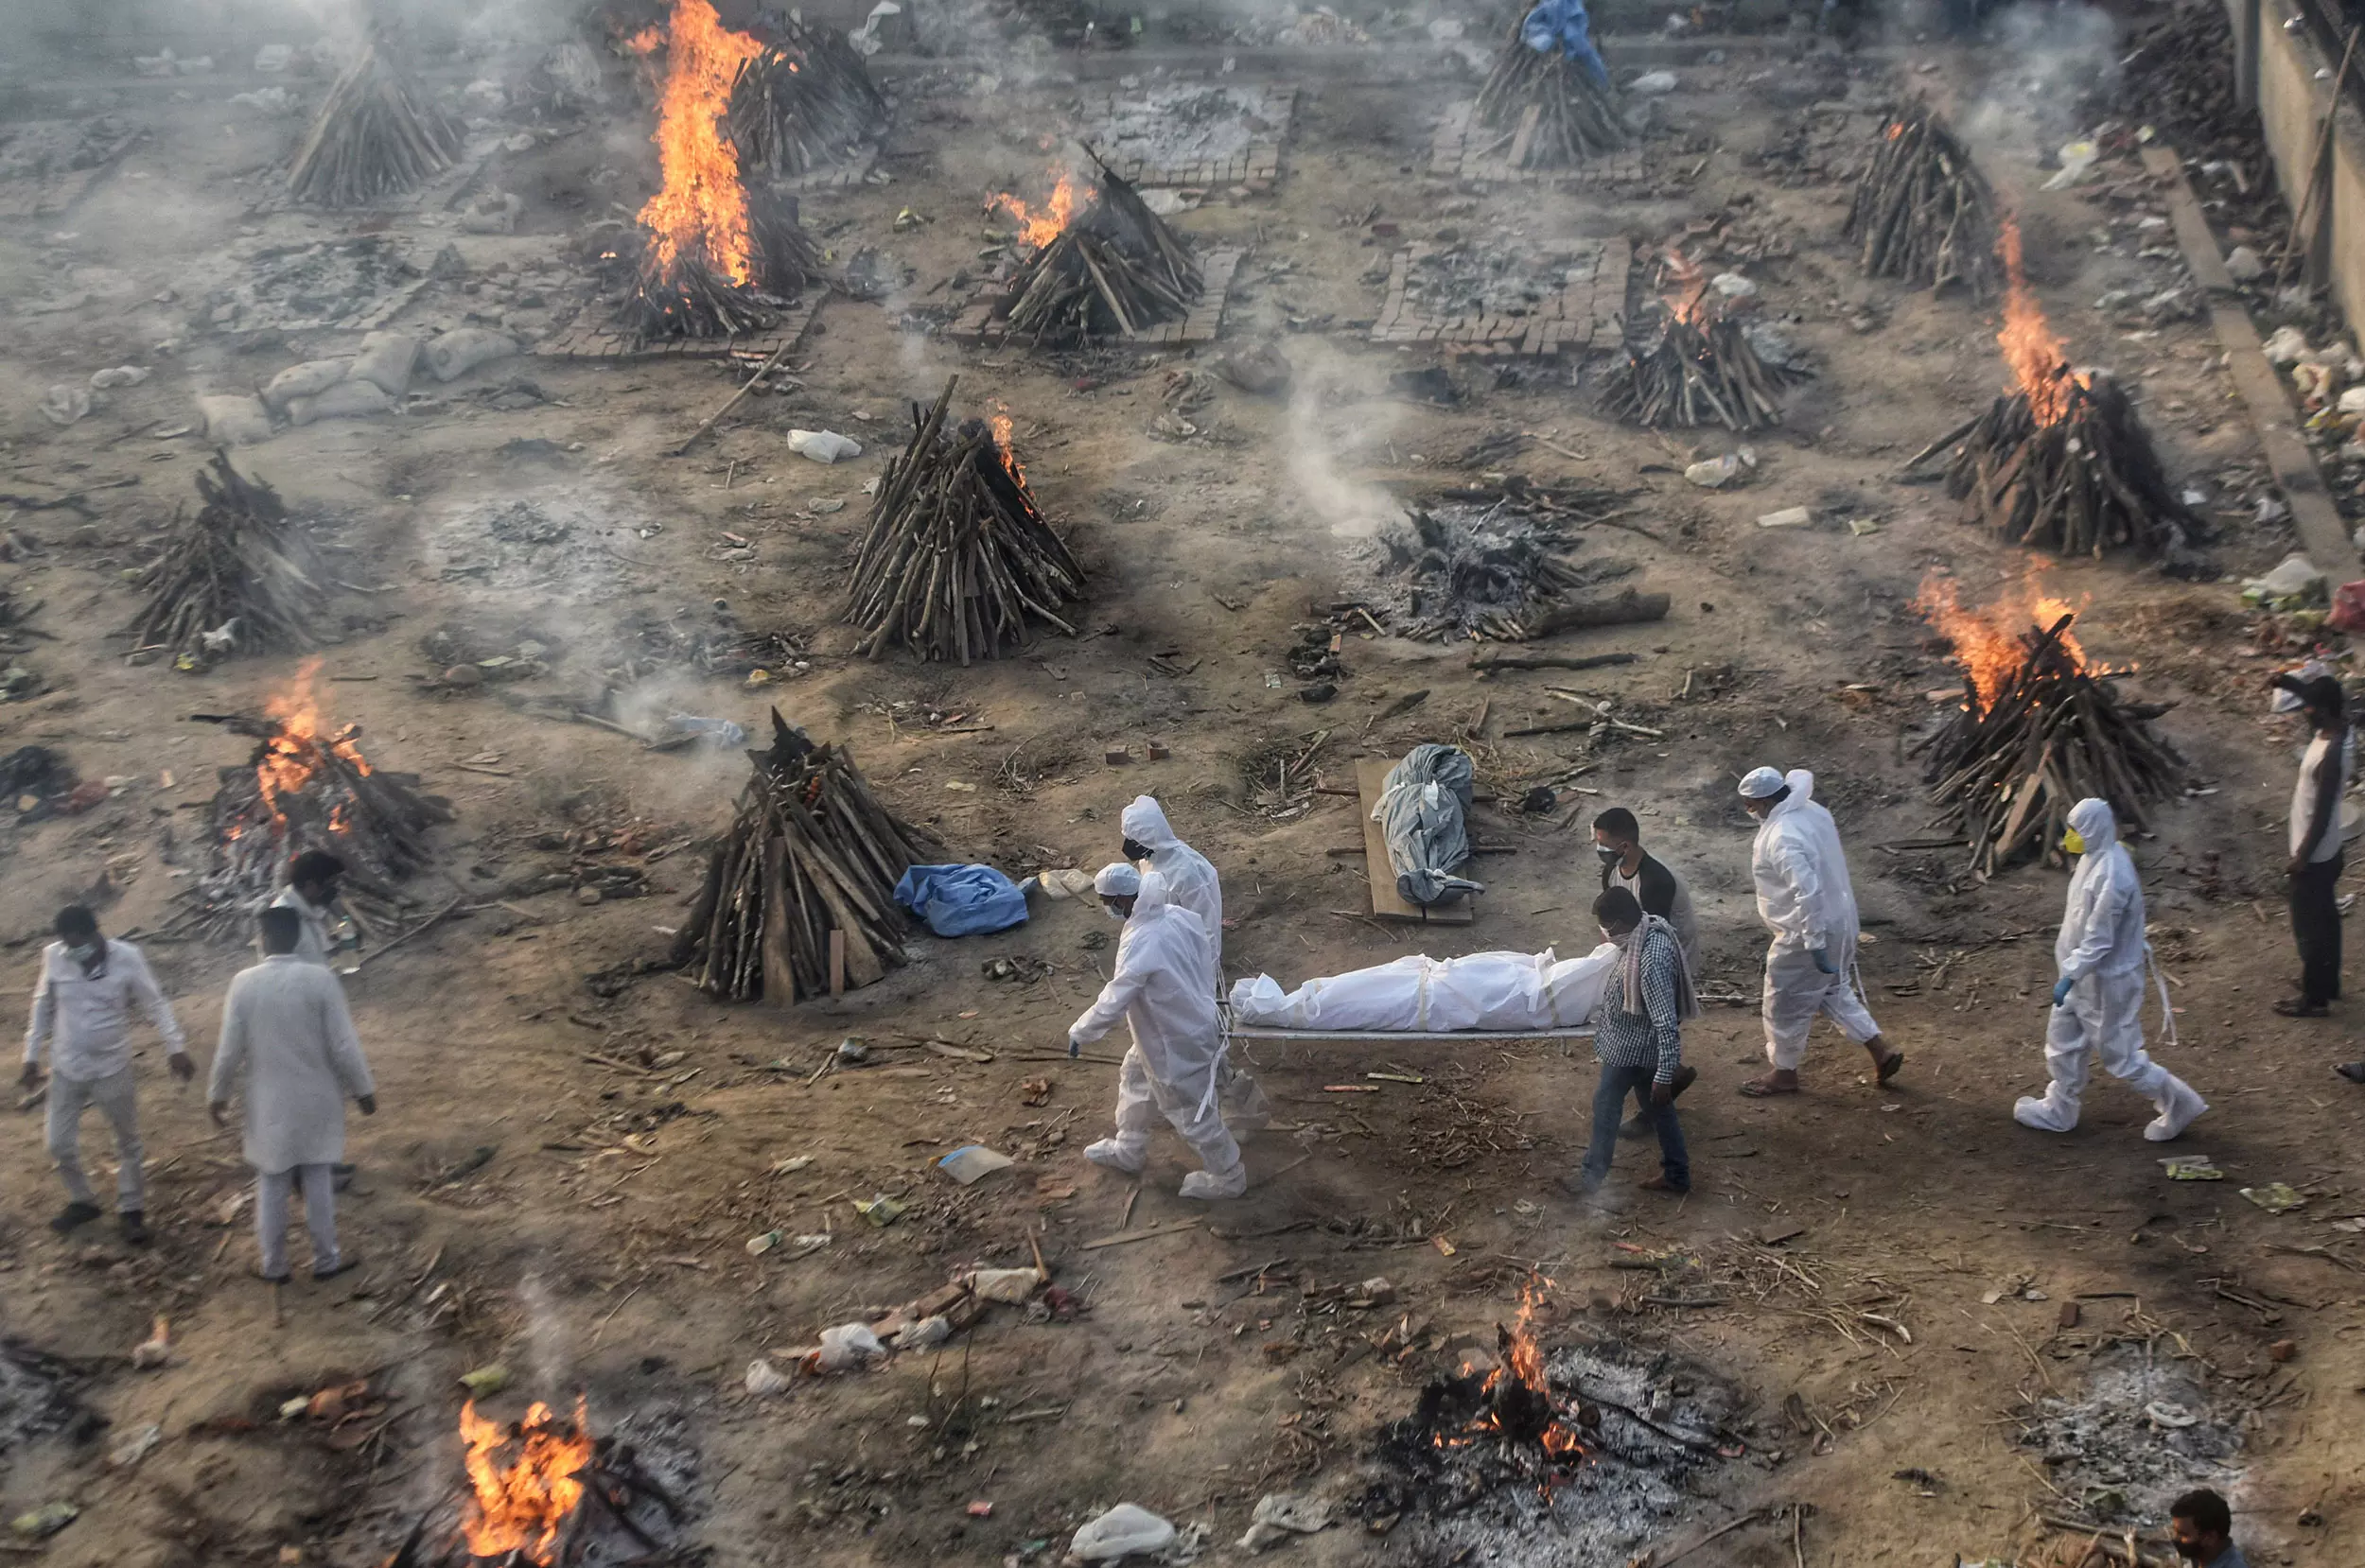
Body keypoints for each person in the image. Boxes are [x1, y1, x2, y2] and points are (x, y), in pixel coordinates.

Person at [2013, 798, 2207, 1141]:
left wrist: (2071, 973)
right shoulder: (2093, 859)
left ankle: (2179, 1102)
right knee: (2063, 1042)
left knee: (2122, 1056)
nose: (2069, 836)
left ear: (2092, 829)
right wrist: (2071, 974)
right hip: (2079, 977)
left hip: (2105, 982)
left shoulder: (2113, 875)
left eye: (2075, 830)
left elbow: (2100, 939)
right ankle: (2060, 1108)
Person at [208, 906, 377, 1282]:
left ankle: (274, 1265)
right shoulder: (320, 980)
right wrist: (363, 1090)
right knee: (317, 1176)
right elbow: (344, 1045)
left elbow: (228, 1050)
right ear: (298, 937)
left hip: (267, 1101)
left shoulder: (244, 983)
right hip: (317, 1096)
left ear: (263, 939)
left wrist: (217, 1095)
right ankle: (326, 1260)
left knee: (272, 1181)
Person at [1067, 863, 1252, 1200]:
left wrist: (1082, 1031)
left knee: (1192, 1112)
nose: (1106, 908)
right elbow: (1205, 954)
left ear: (1123, 898)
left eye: (1107, 901)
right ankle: (1129, 1148)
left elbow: (1116, 996)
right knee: (1135, 1078)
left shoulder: (1143, 939)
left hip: (1174, 1041)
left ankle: (1229, 1177)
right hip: (1174, 1025)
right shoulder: (1176, 916)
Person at [20, 906, 190, 1244]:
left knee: (127, 1141)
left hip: (113, 1066)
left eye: (79, 942)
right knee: (57, 1143)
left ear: (95, 933)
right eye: (68, 944)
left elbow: (155, 1003)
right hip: (67, 1066)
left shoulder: (128, 957)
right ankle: (83, 1200)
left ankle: (132, 1210)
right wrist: (30, 1056)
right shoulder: (54, 957)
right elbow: (42, 1005)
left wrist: (176, 1046)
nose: (74, 950)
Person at [1738, 766, 1901, 1096]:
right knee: (1832, 988)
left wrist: (1813, 942)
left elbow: (1806, 891)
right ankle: (1880, 1052)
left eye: (1751, 804)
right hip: (1840, 920)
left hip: (1805, 932)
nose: (1749, 810)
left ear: (1767, 799)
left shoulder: (1781, 836)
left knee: (1782, 1002)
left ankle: (1784, 1073)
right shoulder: (1812, 811)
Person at [1570, 889, 1692, 1197]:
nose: (1607, 935)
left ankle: (1591, 1179)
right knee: (1659, 1113)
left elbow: (1666, 1025)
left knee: (1606, 1106)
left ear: (1623, 922)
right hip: (1636, 1046)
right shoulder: (1648, 932)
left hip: (1633, 1053)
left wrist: (1665, 1076)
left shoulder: (1649, 962)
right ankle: (1677, 1175)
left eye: (1608, 929)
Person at [1591, 807, 1699, 1134]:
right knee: (1641, 1028)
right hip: (1635, 947)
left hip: (1667, 955)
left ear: (1624, 846)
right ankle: (1672, 1075)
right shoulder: (1612, 872)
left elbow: (1653, 938)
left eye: (1603, 845)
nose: (1599, 851)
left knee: (1652, 1030)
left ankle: (1656, 1105)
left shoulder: (1656, 881)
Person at [2269, 669, 2350, 1018]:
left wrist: (2301, 856)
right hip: (2329, 850)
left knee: (2309, 929)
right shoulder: (2339, 726)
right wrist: (2285, 682)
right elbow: (2314, 695)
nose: (2306, 712)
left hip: (2315, 856)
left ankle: (2313, 1000)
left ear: (2327, 711)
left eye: (2310, 708)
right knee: (2327, 922)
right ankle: (2326, 984)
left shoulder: (2332, 754)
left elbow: (2323, 811)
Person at [1121, 795, 1222, 987]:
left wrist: (1206, 978)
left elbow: (1207, 929)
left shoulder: (1188, 873)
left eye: (1133, 840)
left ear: (1148, 838)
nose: (1128, 845)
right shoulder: (1148, 860)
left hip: (1188, 943)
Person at [272, 848, 352, 969]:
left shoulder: (307, 909)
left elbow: (315, 954)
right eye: (330, 885)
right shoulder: (282, 917)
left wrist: (340, 945)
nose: (334, 891)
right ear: (310, 885)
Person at [2167, 1489, 2247, 1567]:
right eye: (2175, 1531)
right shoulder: (2202, 1553)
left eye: (2183, 1534)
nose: (2175, 1537)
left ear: (2210, 1538)